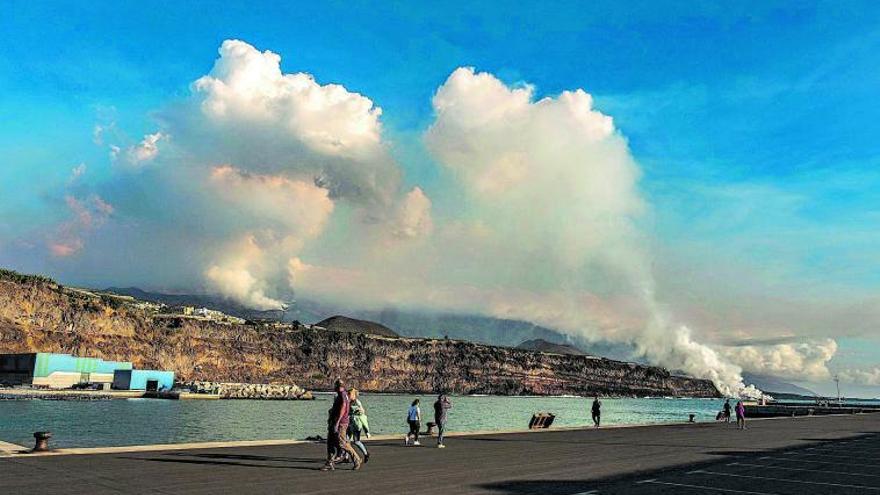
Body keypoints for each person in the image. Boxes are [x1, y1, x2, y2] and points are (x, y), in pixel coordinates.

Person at [322, 379, 362, 471]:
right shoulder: (342, 395)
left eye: (336, 385)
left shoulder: (342, 396)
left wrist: (337, 423)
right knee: (330, 442)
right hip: (336, 422)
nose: (334, 387)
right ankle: (329, 462)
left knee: (342, 443)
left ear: (339, 386)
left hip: (340, 423)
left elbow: (343, 409)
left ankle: (356, 459)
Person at [348, 388, 370, 463]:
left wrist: (359, 411)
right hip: (349, 423)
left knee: (356, 441)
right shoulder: (348, 401)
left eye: (350, 394)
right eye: (348, 394)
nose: (348, 395)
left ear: (354, 395)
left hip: (356, 424)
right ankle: (346, 457)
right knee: (346, 441)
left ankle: (366, 453)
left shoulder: (357, 402)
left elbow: (363, 411)